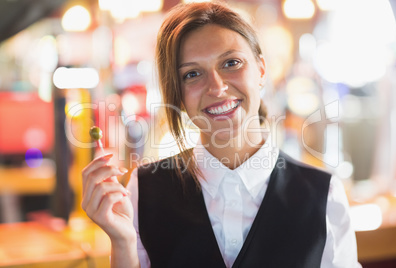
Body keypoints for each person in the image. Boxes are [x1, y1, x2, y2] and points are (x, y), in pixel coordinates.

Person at [81, 2, 361, 267]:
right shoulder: (142, 190)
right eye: (192, 74)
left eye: (231, 63)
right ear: (177, 95)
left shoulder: (325, 195)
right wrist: (122, 241)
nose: (216, 87)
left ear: (261, 70)